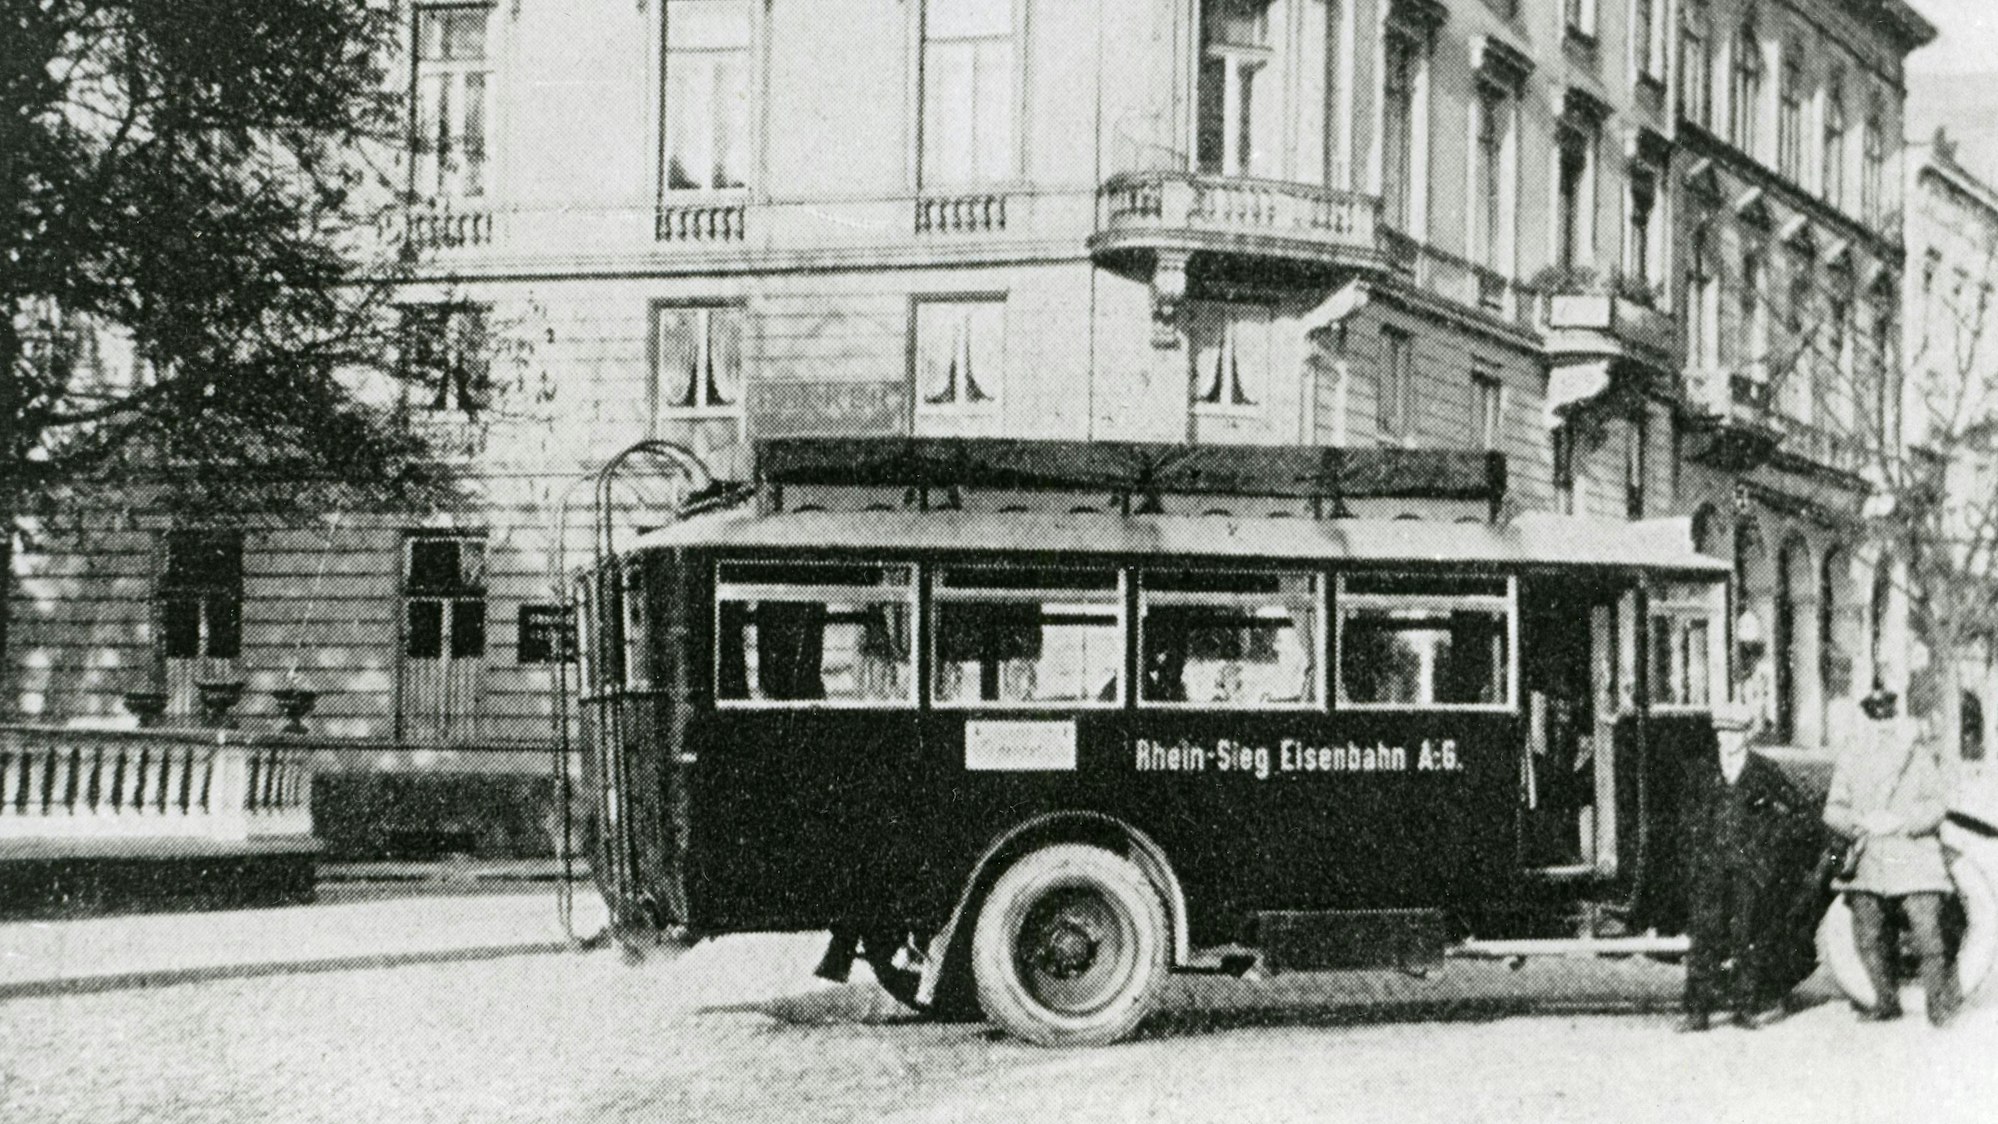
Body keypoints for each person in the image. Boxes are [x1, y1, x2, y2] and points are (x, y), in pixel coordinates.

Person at [1823, 684, 1961, 1027]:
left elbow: (1937, 804)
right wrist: (1860, 822)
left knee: (1928, 937)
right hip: (1871, 857)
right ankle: (1885, 1002)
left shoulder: (1918, 755)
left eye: (1888, 718)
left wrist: (1901, 821)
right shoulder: (1851, 757)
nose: (1882, 726)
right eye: (1875, 718)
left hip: (1914, 855)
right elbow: (1832, 810)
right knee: (1867, 937)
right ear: (1867, 720)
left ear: (1896, 719)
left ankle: (1937, 1006)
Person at [1678, 700, 1813, 1032]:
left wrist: (1768, 841)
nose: (1726, 739)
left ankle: (1744, 1008)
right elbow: (1686, 818)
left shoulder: (1763, 771)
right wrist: (1697, 853)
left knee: (1747, 936)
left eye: (1734, 732)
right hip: (1710, 868)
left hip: (1749, 869)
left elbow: (1800, 812)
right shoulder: (1702, 770)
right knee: (1704, 937)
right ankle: (1697, 1012)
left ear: (1746, 735)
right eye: (1721, 732)